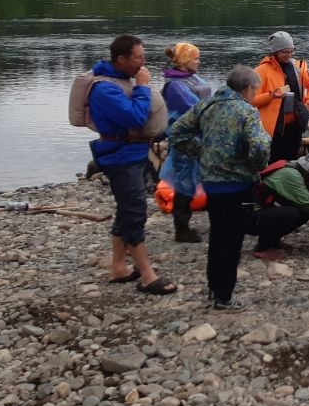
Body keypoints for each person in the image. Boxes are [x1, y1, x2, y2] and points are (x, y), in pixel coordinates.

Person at [168, 65, 271, 311]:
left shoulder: (207, 105)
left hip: (212, 186)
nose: (255, 94)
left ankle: (214, 287)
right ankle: (224, 297)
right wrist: (255, 166)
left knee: (217, 235)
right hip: (239, 186)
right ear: (248, 89)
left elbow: (177, 132)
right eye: (255, 90)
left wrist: (201, 152)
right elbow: (259, 147)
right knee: (232, 240)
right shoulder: (247, 111)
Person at [86, 34, 175, 294]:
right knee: (135, 211)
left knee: (127, 210)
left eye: (143, 56)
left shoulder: (121, 80)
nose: (143, 61)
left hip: (133, 154)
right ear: (121, 59)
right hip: (120, 157)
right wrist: (143, 86)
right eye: (138, 57)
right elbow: (135, 118)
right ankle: (147, 275)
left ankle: (119, 267)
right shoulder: (104, 88)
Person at [159, 42, 213, 242]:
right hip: (186, 141)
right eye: (196, 58)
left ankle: (208, 217)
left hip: (199, 136)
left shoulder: (189, 78)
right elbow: (196, 108)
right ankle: (181, 228)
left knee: (201, 177)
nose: (199, 61)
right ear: (184, 61)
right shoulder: (174, 86)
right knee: (184, 182)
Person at [248, 151, 309, 260]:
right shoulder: (291, 174)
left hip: (266, 212)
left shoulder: (305, 175)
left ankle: (273, 241)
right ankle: (263, 247)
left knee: (304, 212)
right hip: (251, 217)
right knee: (291, 213)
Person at [253, 31, 309, 163]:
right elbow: (251, 101)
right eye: (284, 52)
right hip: (272, 130)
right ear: (275, 52)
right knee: (273, 162)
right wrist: (272, 95)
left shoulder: (298, 68)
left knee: (290, 160)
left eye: (291, 51)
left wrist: (308, 103)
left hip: (295, 125)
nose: (288, 55)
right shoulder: (261, 71)